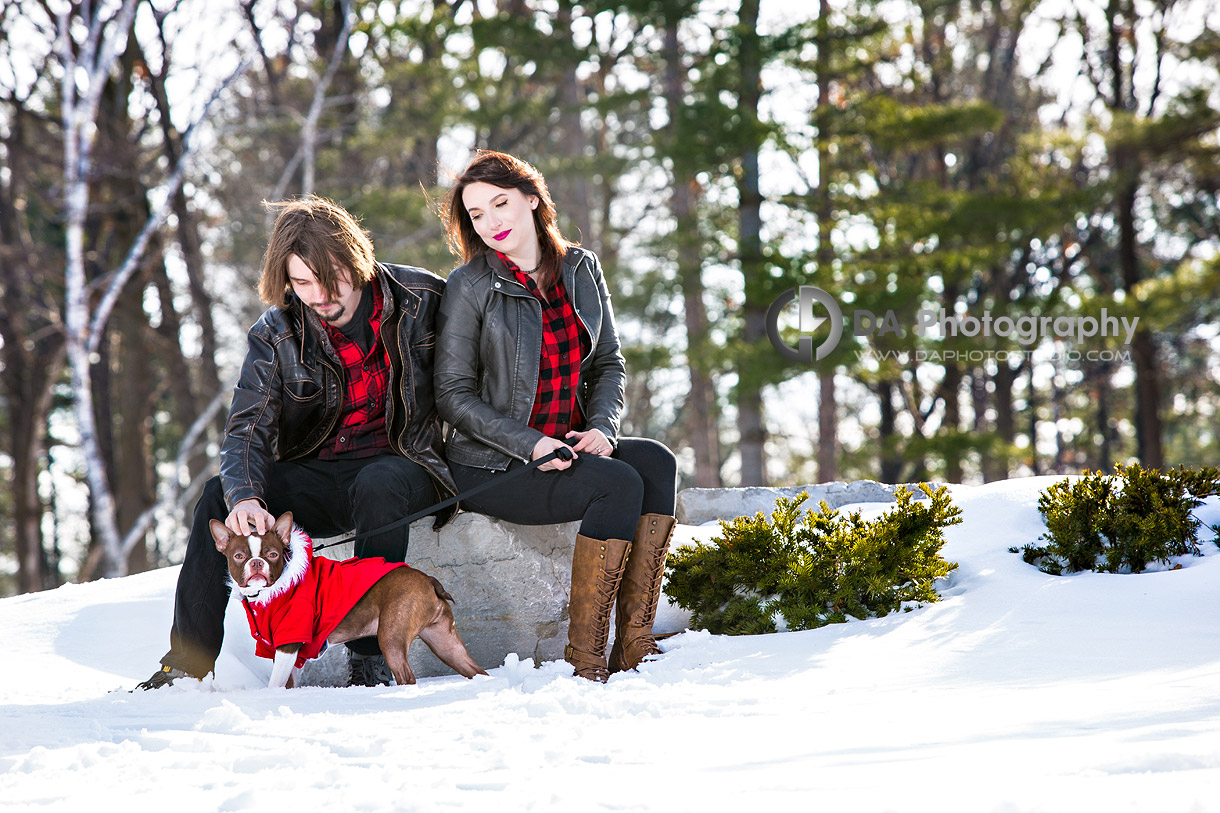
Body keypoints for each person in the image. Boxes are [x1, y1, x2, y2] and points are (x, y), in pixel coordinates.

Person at [137, 196, 456, 690]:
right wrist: (246, 496)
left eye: (331, 279)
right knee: (218, 494)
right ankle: (187, 664)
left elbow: (478, 379)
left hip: (406, 464)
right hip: (319, 473)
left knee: (379, 481)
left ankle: (369, 656)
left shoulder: (423, 299)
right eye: (302, 283)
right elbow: (247, 427)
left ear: (357, 259)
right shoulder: (277, 332)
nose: (319, 295)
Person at [435, 151, 678, 683]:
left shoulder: (580, 269)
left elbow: (609, 364)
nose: (492, 221)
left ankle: (635, 642)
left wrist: (601, 429)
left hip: (569, 444)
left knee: (656, 461)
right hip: (494, 465)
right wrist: (530, 445)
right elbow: (453, 396)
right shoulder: (470, 285)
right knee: (615, 485)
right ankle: (587, 657)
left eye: (501, 203)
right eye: (477, 214)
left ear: (531, 199)